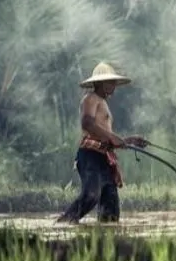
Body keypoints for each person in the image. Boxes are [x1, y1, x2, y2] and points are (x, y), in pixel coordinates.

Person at [56, 62, 149, 224]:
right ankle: (62, 225)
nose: (113, 85)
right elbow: (87, 123)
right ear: (99, 83)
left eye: (113, 82)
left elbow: (106, 138)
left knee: (111, 211)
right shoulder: (90, 98)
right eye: (109, 82)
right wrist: (113, 138)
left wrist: (130, 140)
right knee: (91, 195)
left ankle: (105, 242)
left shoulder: (104, 104)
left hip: (104, 159)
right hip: (90, 157)